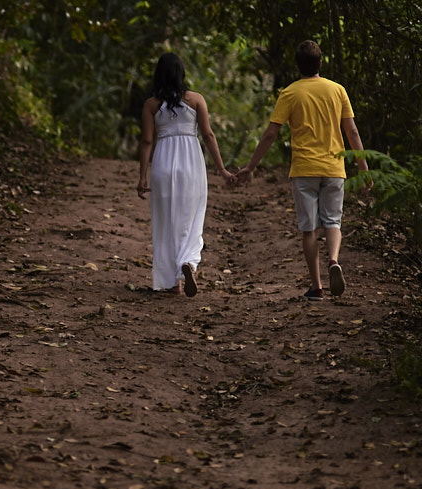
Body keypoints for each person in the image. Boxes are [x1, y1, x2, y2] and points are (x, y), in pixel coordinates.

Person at [234, 40, 370, 301]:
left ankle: (317, 287)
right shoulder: (337, 90)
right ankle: (333, 260)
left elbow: (271, 134)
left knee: (309, 230)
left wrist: (251, 167)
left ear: (297, 66)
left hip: (304, 169)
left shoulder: (290, 93)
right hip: (334, 167)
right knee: (333, 222)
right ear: (321, 63)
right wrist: (363, 168)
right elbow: (352, 131)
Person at [137, 53, 234, 297]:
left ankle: (173, 283)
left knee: (165, 220)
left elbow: (147, 141)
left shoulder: (151, 105)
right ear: (182, 74)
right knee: (191, 216)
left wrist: (142, 176)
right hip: (191, 162)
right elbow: (208, 135)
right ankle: (188, 261)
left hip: (163, 162)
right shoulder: (196, 100)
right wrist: (222, 170)